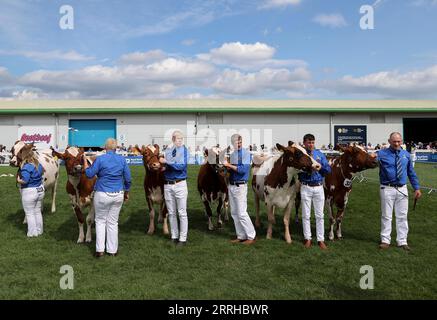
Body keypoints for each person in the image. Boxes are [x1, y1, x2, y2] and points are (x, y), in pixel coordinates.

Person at [84, 138, 131, 257]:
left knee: (100, 221)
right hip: (118, 193)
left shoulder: (100, 159)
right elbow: (128, 178)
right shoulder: (122, 159)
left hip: (103, 193)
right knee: (113, 222)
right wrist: (126, 191)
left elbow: (89, 174)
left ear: (105, 148)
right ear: (116, 148)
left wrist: (85, 163)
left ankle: (100, 250)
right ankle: (112, 250)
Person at [377, 132, 422, 251]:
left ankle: (402, 241)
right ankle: (385, 240)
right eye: (394, 141)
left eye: (399, 141)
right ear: (389, 141)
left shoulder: (406, 154)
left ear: (401, 141)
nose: (397, 143)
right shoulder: (381, 154)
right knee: (386, 216)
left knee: (402, 216)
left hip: (402, 189)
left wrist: (416, 188)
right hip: (387, 188)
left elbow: (411, 173)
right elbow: (369, 162)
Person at [298, 134, 331, 250]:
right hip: (306, 186)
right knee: (306, 215)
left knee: (319, 215)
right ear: (304, 143)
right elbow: (297, 171)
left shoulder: (319, 154)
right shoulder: (301, 155)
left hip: (318, 187)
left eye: (312, 142)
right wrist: (306, 169)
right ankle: (308, 238)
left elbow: (328, 170)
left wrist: (320, 167)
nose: (311, 144)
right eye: (308, 142)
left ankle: (320, 240)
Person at [223, 134, 256, 245]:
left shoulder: (246, 154)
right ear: (233, 143)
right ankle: (241, 235)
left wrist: (229, 165)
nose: (239, 144)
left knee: (242, 213)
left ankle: (251, 236)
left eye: (240, 142)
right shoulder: (232, 155)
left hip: (240, 186)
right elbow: (230, 171)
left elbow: (242, 170)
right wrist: (225, 169)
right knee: (234, 213)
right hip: (231, 185)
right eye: (237, 142)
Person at [159, 130, 189, 246]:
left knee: (182, 212)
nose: (180, 141)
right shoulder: (168, 150)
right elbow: (169, 166)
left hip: (180, 183)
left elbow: (181, 166)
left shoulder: (184, 151)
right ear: (173, 139)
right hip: (167, 184)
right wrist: (164, 167)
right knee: (171, 212)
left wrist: (167, 161)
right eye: (178, 139)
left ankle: (183, 238)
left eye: (181, 139)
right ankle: (174, 236)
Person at [16, 149, 45, 237]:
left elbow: (25, 181)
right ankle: (39, 230)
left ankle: (32, 233)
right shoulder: (39, 165)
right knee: (37, 211)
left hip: (30, 191)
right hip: (39, 190)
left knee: (29, 213)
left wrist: (18, 180)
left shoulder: (26, 167)